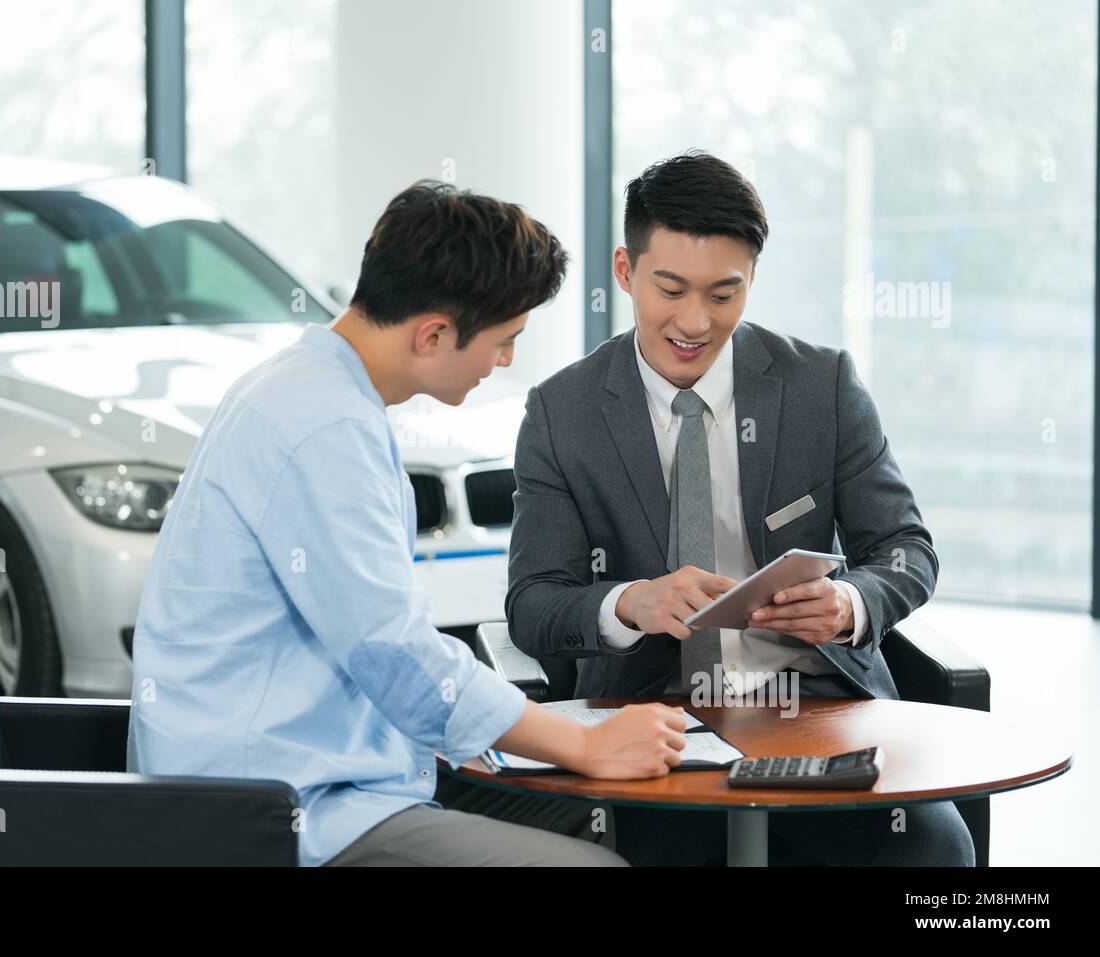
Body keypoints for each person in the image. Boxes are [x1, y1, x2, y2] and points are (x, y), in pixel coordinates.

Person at [127, 180, 689, 867]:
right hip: (280, 806)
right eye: (504, 340)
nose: (505, 362)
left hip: (331, 768)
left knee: (607, 822)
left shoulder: (317, 388)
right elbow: (393, 650)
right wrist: (583, 743)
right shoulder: (323, 424)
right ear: (433, 334)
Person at [505, 151, 975, 866]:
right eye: (671, 288)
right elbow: (533, 604)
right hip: (648, 720)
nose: (694, 321)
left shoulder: (823, 386)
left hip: (816, 709)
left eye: (723, 294)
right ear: (626, 271)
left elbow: (907, 549)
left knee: (931, 851)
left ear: (753, 277)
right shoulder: (561, 413)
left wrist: (847, 602)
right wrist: (630, 602)